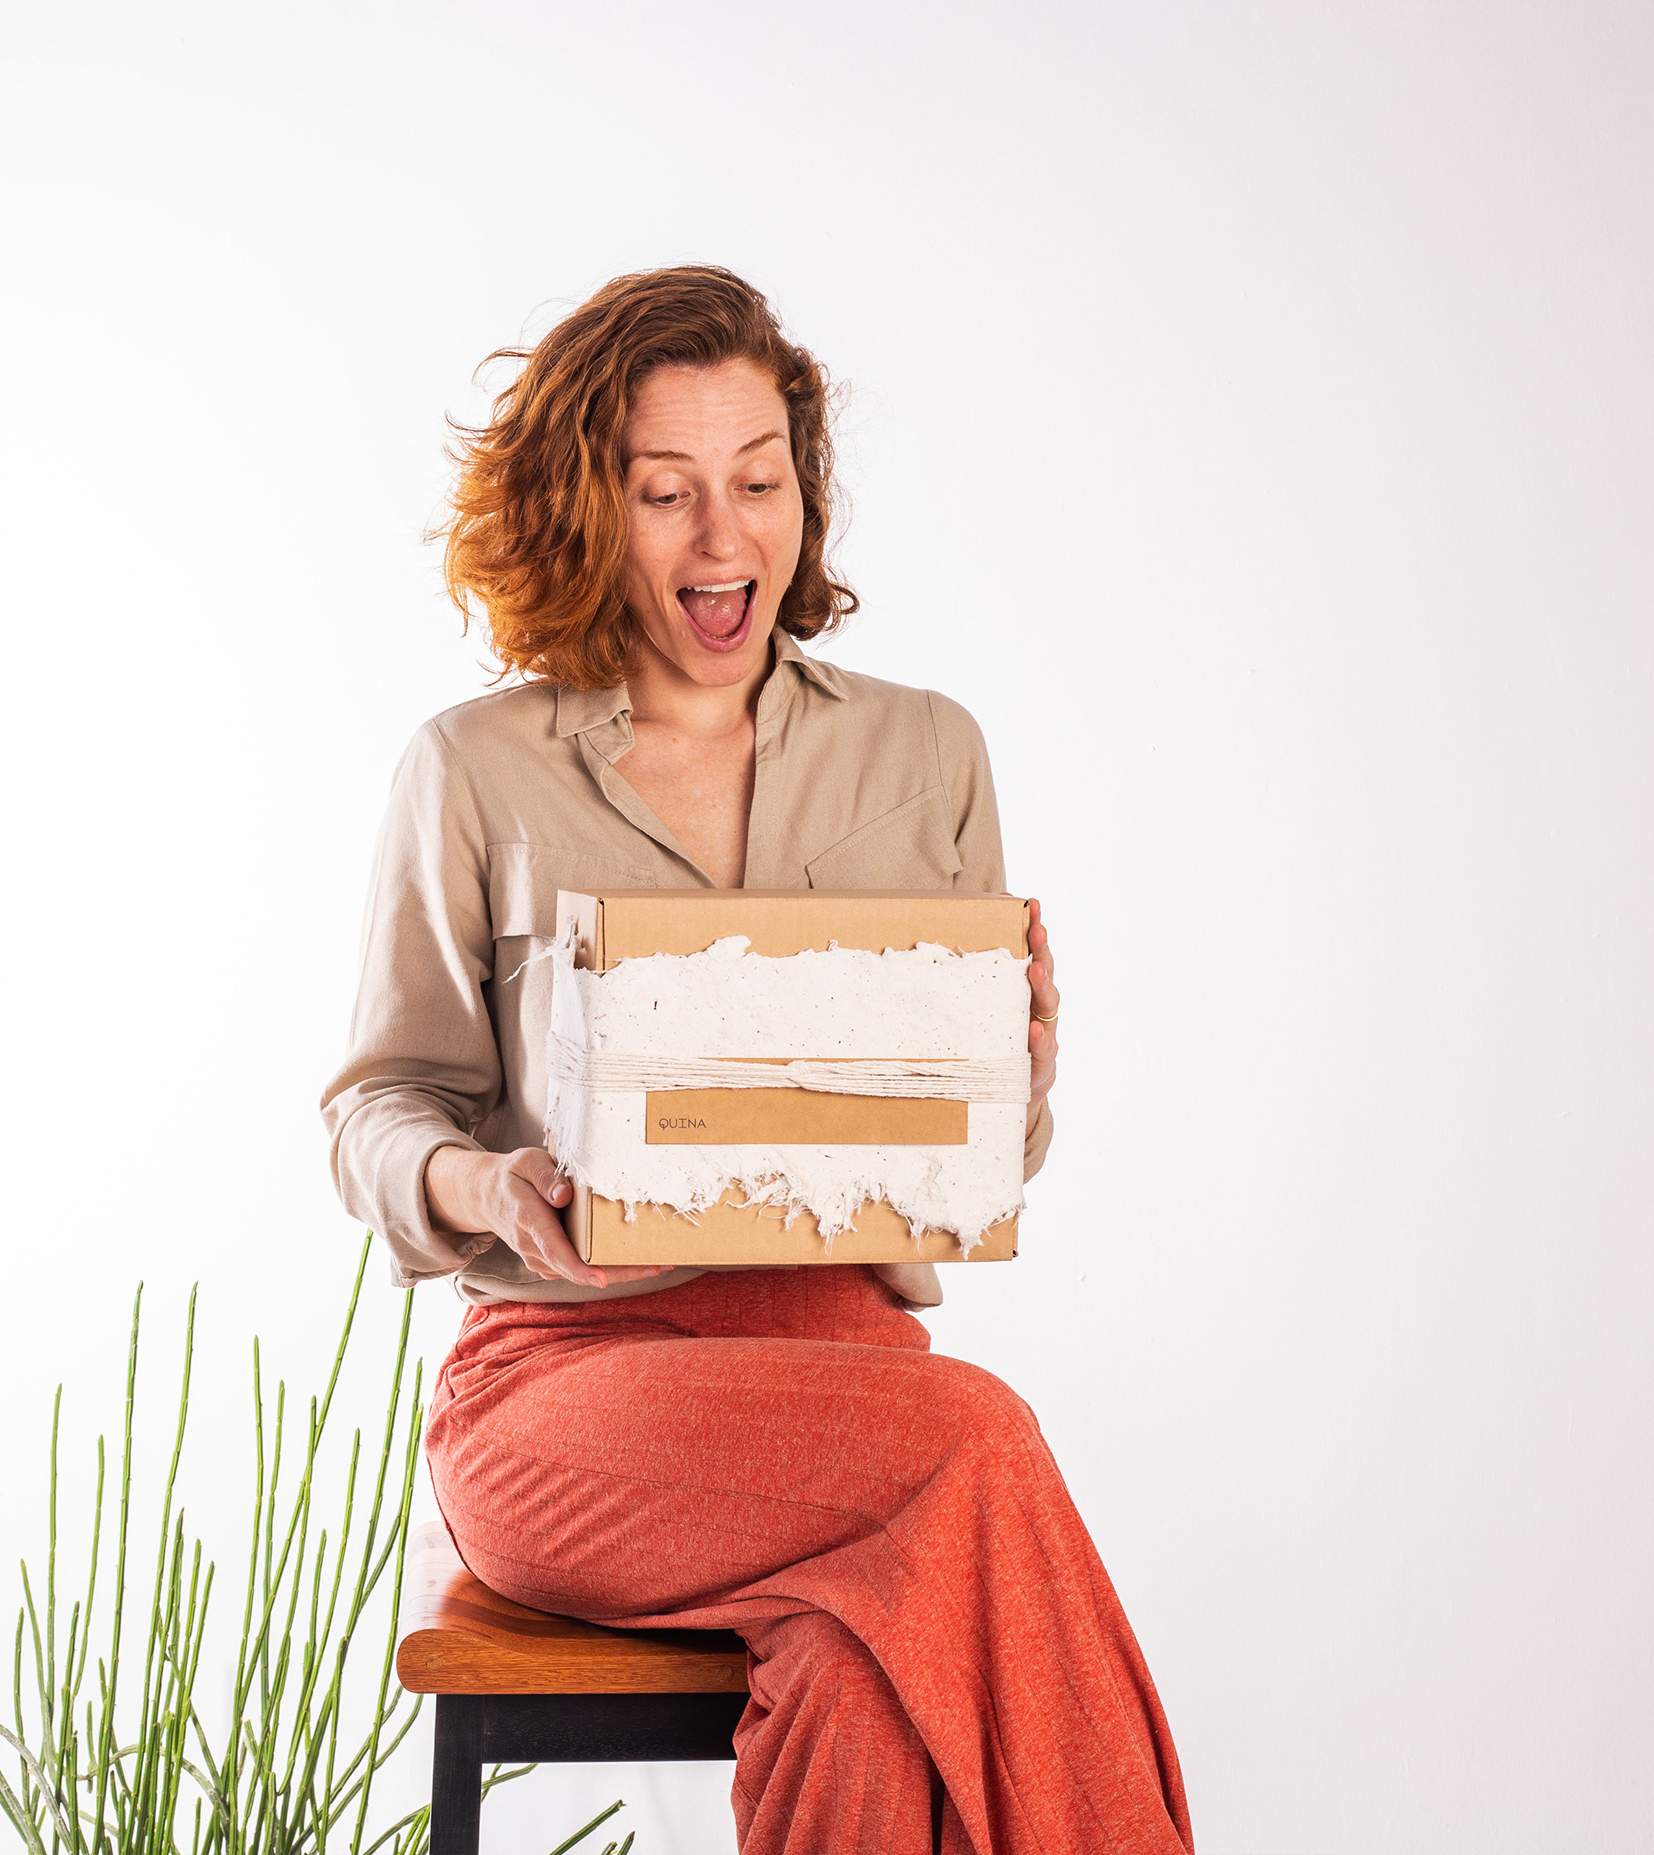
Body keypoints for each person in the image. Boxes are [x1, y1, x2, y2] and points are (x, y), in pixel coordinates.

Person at [321, 266, 1192, 1855]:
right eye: (666, 492)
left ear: (807, 492)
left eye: (761, 482)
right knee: (981, 1439)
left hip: (848, 1376)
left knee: (870, 1678)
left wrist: (1014, 1081)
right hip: (570, 1385)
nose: (724, 539)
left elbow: (969, 1164)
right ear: (589, 509)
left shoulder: (927, 752)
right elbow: (377, 1109)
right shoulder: (473, 769)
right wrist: (485, 1186)